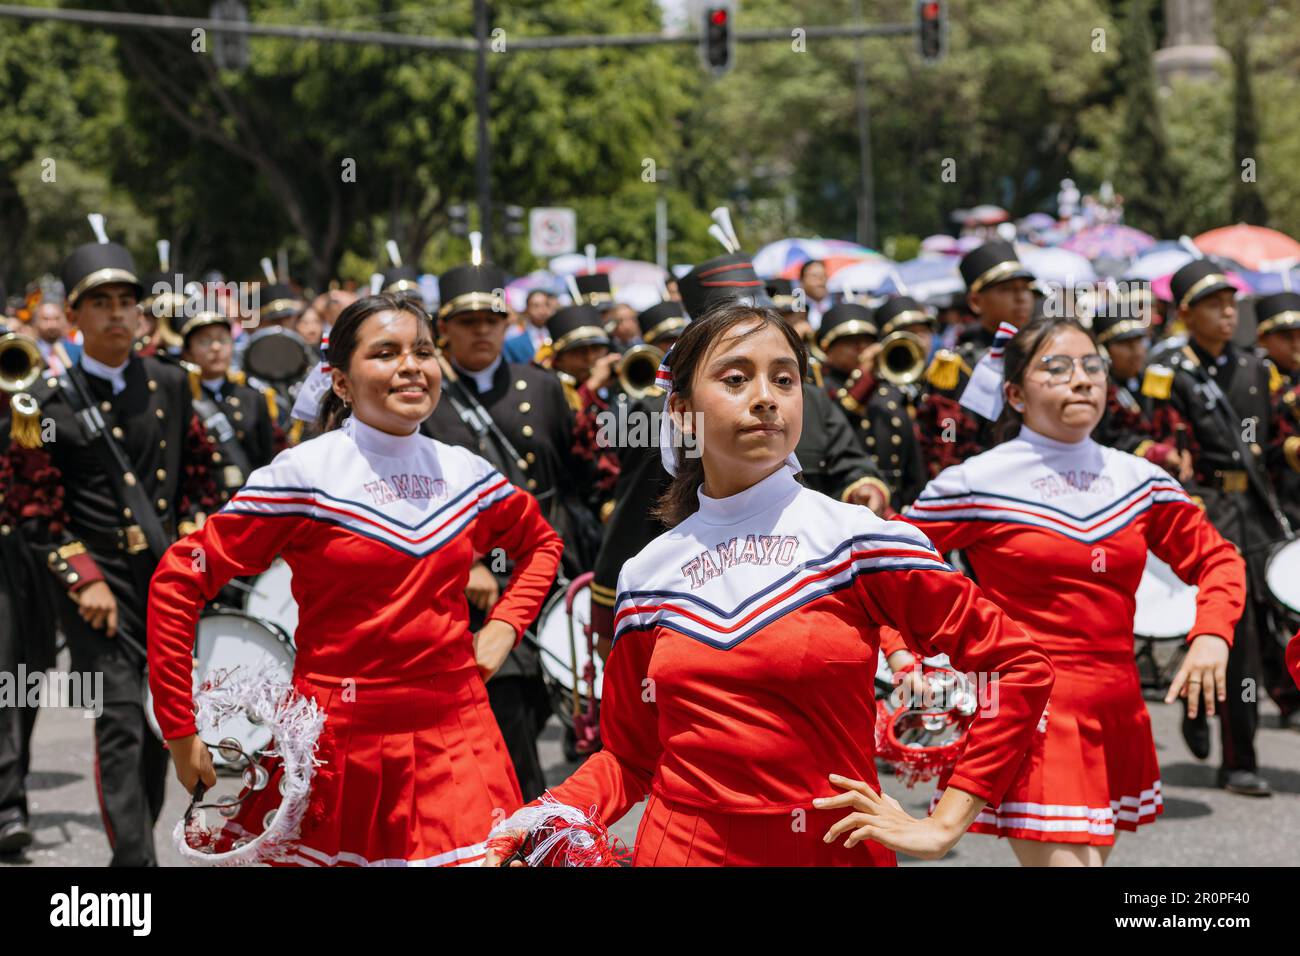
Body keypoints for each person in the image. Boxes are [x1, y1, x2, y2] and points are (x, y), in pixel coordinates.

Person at [484, 302, 1054, 867]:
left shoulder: (859, 541)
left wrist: (944, 825)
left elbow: (1018, 666)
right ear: (681, 412)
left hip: (830, 853)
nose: (766, 396)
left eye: (785, 379)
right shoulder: (647, 574)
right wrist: (536, 822)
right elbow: (630, 758)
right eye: (735, 378)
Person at [148, 294, 564, 867]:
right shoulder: (304, 474)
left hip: (460, 733)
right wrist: (177, 724)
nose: (411, 365)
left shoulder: (465, 472)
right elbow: (179, 576)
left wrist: (504, 628)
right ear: (341, 382)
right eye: (386, 352)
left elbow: (542, 543)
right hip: (341, 744)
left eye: (422, 350)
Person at [902, 315, 1244, 865]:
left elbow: (1218, 559)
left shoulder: (1140, 480)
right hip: (1028, 705)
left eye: (1092, 366)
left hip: (1116, 703)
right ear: (1013, 393)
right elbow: (892, 565)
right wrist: (907, 652)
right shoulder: (977, 481)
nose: (1081, 380)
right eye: (1056, 368)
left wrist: (1211, 634)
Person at [1, 230, 219, 866]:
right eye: (100, 303)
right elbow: (30, 506)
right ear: (73, 317)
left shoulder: (170, 385)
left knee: (161, 721)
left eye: (127, 300)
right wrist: (83, 577)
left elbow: (200, 473)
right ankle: (132, 866)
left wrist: (193, 534)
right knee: (119, 715)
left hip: (166, 577)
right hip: (97, 585)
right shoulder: (42, 402)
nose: (117, 312)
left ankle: (138, 846)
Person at [423, 260, 599, 798]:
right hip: (473, 580)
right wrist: (466, 558)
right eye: (468, 320)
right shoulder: (429, 394)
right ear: (443, 329)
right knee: (511, 703)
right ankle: (520, 825)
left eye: (492, 319)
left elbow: (577, 478)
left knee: (551, 698)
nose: (482, 330)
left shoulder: (543, 387)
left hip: (547, 562)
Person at [1148, 260, 1296, 790]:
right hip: (1203, 511)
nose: (1229, 313)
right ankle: (1239, 759)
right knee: (1233, 631)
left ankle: (1220, 728)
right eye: (1214, 304)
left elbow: (1275, 445)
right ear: (1186, 313)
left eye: (1232, 303)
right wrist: (1171, 463)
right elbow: (1157, 436)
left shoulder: (1258, 369)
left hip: (1255, 512)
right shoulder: (1169, 371)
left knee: (1258, 627)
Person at [915, 241, 1036, 478]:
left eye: (1025, 288)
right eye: (1007, 289)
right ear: (976, 302)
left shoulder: (1042, 354)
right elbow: (945, 433)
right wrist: (947, 459)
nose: (1021, 297)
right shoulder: (956, 365)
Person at [825, 299, 928, 508]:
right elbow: (837, 423)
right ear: (828, 349)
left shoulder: (891, 391)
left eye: (868, 340)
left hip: (896, 504)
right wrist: (864, 377)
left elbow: (912, 460)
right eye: (850, 341)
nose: (861, 347)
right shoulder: (823, 390)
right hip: (846, 502)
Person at [178, 310, 283, 505]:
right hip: (205, 507)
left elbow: (268, 457)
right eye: (204, 341)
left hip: (250, 502)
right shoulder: (183, 399)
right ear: (188, 352)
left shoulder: (253, 397)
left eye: (223, 340)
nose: (216, 348)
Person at [1090, 306, 1191, 480]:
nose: (1136, 350)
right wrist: (1154, 452)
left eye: (1139, 341)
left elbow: (1171, 422)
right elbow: (1108, 439)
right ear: (1105, 351)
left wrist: (1180, 451)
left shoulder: (1154, 379)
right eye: (1125, 344)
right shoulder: (1101, 390)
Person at [503, 289, 554, 364]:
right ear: (527, 310)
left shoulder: (559, 337)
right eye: (536, 306)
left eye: (546, 305)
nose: (542, 310)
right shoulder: (513, 344)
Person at [798, 259, 833, 331]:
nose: (820, 280)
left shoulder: (838, 304)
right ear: (802, 281)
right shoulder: (795, 309)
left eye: (824, 275)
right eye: (814, 276)